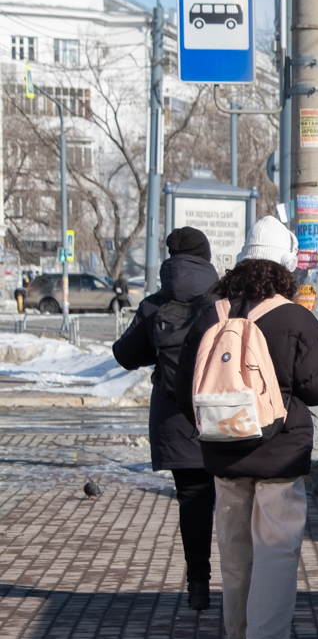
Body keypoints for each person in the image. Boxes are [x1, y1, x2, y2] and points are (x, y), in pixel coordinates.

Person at [174, 217, 318, 639]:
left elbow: (184, 383)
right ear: (285, 268)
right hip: (279, 455)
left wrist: (211, 428)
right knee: (275, 546)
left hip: (223, 454)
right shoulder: (294, 317)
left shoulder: (212, 314)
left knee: (234, 549)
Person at [112, 227, 221, 610]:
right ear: (206, 258)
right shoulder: (225, 301)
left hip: (177, 420)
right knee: (238, 498)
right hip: (229, 412)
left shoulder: (154, 306)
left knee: (193, 498)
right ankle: (249, 585)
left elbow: (124, 355)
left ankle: (198, 585)